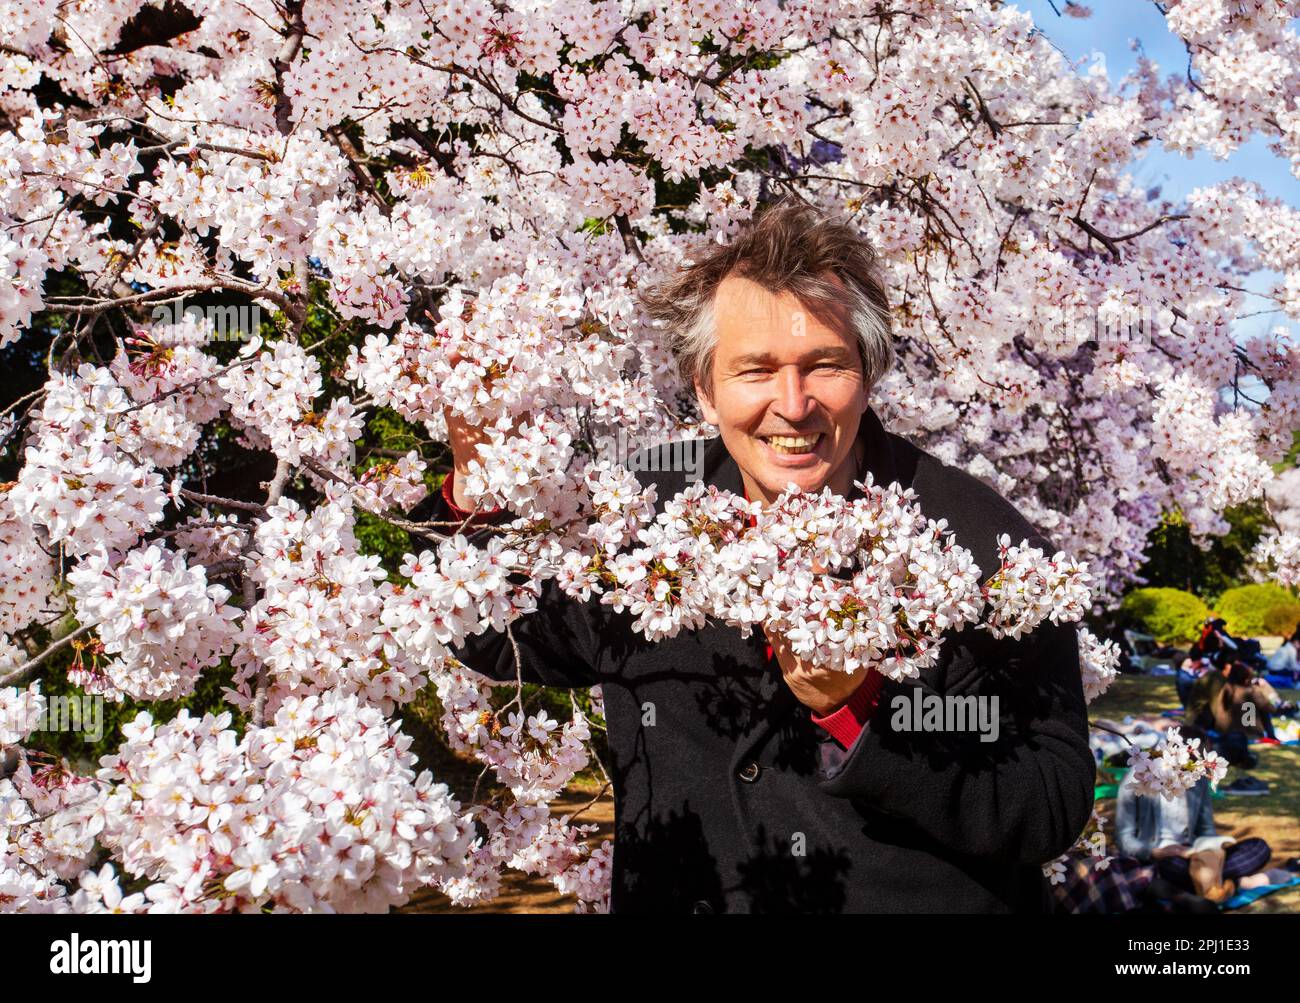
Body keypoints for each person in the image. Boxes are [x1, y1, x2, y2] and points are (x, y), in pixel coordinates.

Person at [415, 198, 1096, 913]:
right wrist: (475, 485)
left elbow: (1049, 798)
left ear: (868, 374)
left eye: (824, 364)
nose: (793, 404)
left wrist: (862, 710)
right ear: (705, 391)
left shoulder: (979, 538)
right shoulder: (639, 506)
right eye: (755, 370)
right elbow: (497, 636)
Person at [1115, 726, 1272, 903]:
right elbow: (1124, 838)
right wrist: (1155, 852)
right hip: (1160, 857)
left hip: (1193, 855)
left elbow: (1206, 829)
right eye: (1195, 760)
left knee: (1260, 847)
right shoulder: (1137, 777)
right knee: (1169, 867)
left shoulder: (1198, 780)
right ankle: (1231, 883)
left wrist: (1213, 849)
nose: (1197, 767)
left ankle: (1209, 883)